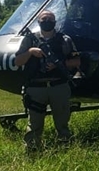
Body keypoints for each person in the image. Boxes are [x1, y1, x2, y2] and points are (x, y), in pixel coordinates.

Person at [13, 10, 80, 151]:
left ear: (55, 22)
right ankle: (32, 150)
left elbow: (76, 61)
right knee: (34, 122)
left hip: (59, 86)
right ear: (38, 21)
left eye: (50, 18)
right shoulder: (29, 40)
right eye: (44, 18)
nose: (47, 21)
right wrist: (30, 52)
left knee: (62, 121)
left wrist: (59, 63)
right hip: (36, 88)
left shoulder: (64, 39)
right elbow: (17, 61)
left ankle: (65, 147)